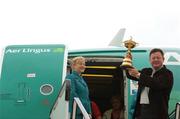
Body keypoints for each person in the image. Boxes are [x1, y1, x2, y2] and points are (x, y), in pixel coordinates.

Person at [126, 48, 174, 119]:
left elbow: (156, 84)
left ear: (163, 59)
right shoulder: (146, 71)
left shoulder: (167, 74)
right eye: (153, 58)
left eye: (158, 58)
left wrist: (138, 75)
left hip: (157, 114)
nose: (155, 60)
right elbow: (130, 75)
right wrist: (128, 62)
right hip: (142, 112)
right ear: (149, 60)